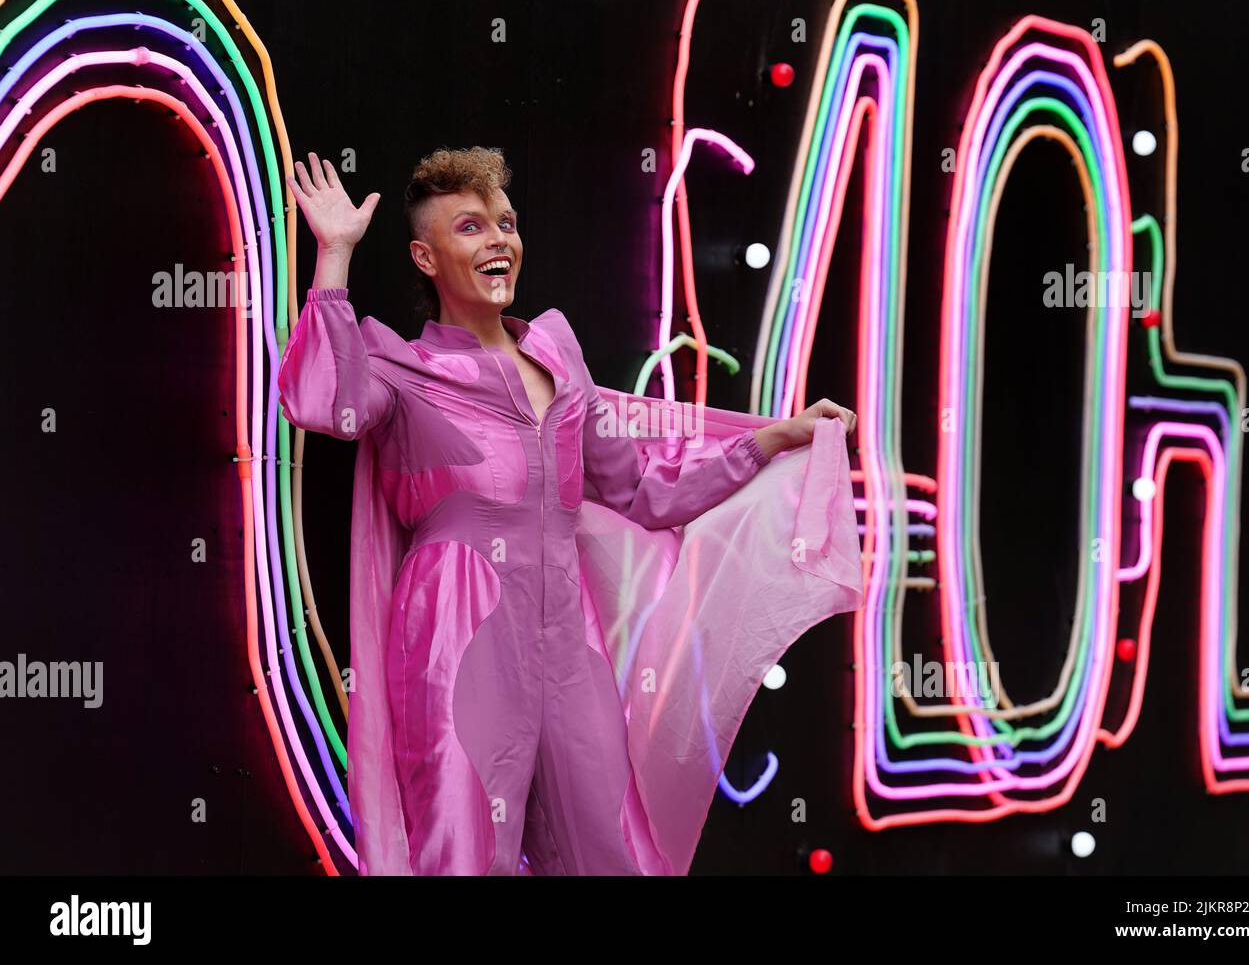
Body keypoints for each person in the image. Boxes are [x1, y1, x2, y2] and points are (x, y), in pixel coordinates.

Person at [278, 146, 863, 875]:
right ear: (425, 258)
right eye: (471, 227)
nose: (499, 238)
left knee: (607, 847)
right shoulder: (400, 365)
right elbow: (318, 402)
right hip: (456, 635)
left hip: (568, 644)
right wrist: (333, 255)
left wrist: (773, 439)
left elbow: (642, 490)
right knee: (461, 850)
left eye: (507, 222)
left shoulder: (558, 356)